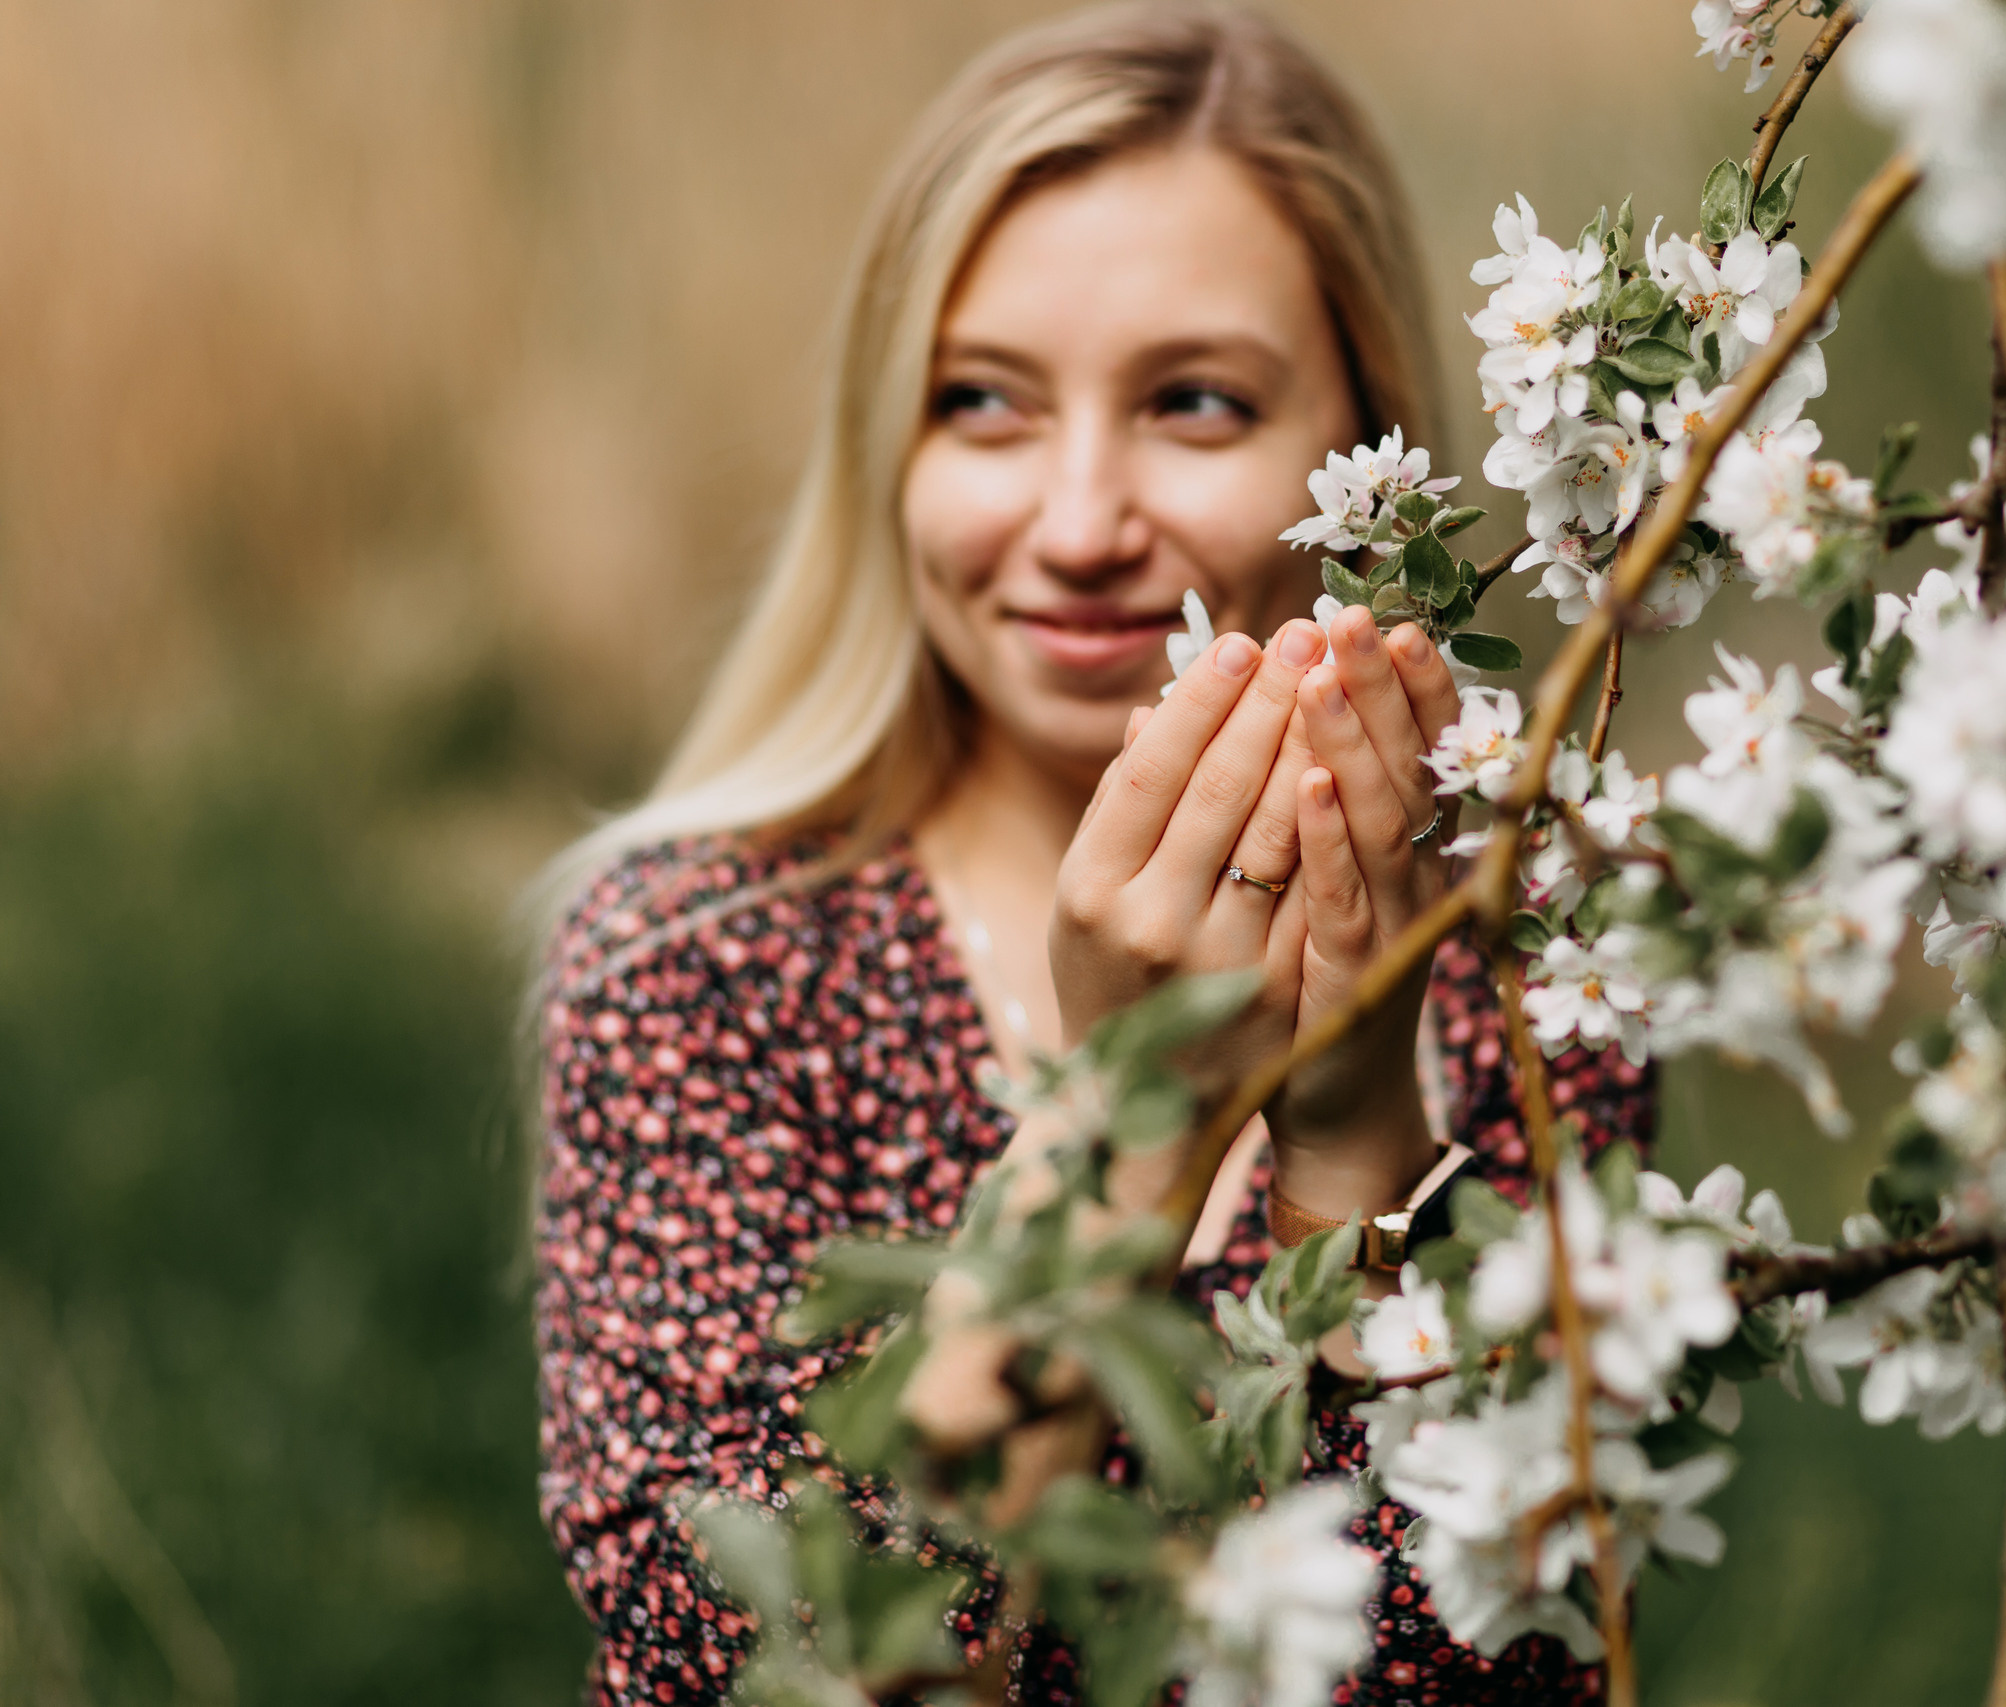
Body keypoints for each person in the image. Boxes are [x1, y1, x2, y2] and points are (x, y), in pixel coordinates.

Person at [529, 7, 1652, 1704]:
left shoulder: (1533, 959)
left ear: (1367, 458)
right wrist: (1130, 1126)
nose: (1073, 526)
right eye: (981, 403)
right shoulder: (693, 959)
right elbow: (760, 1670)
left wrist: (1355, 1151)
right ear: (888, 445)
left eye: (1193, 403)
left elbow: (1511, 1667)